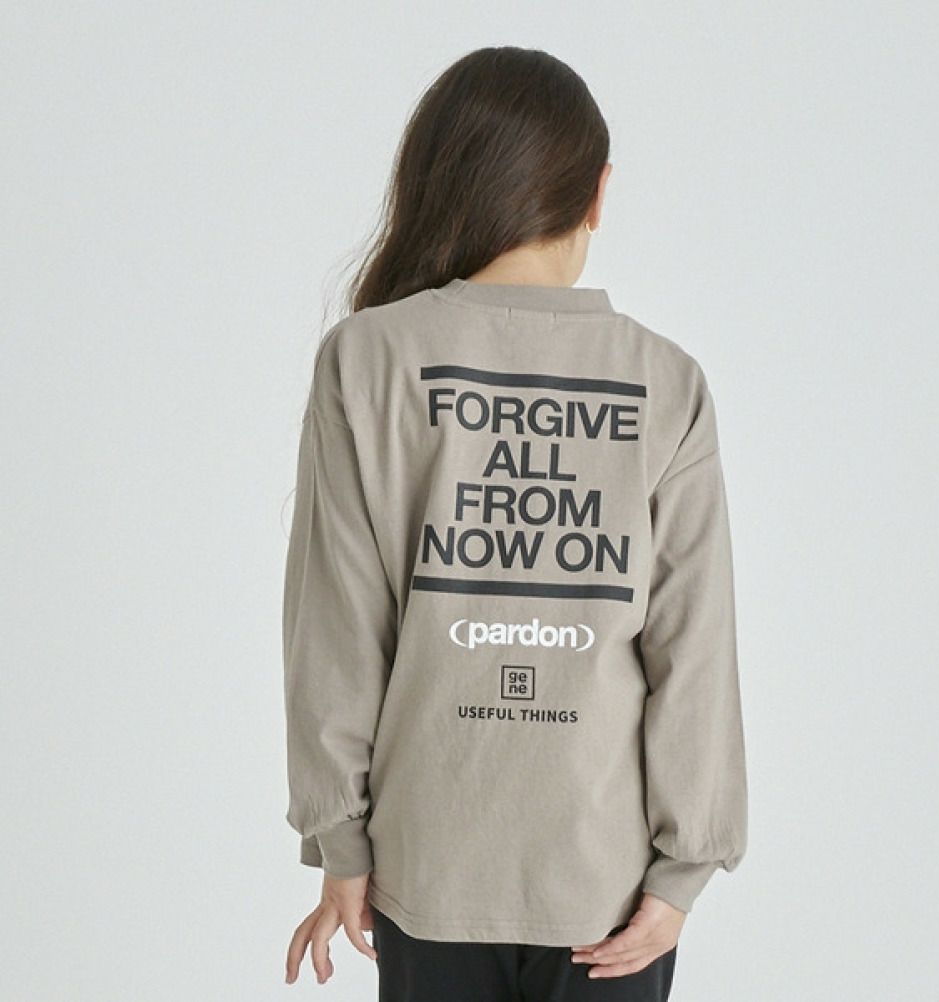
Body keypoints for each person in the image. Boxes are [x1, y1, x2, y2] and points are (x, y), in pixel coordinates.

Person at [280, 45, 748, 1001]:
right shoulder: (665, 383)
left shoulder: (366, 360)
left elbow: (337, 628)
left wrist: (344, 844)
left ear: (438, 182)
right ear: (598, 193)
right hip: (608, 892)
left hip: (426, 871)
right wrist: (681, 875)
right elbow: (693, 650)